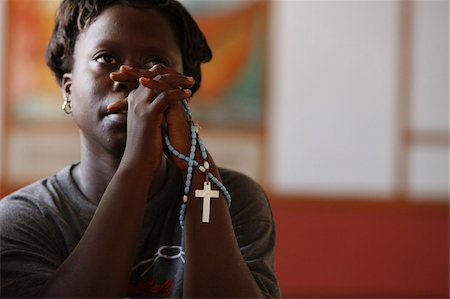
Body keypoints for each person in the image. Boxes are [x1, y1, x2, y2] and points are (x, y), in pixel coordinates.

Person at [0, 0, 280, 297]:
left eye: (156, 64)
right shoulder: (23, 220)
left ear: (184, 88)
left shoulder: (232, 197)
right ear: (69, 89)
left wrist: (198, 171)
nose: (133, 79)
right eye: (106, 57)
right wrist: (137, 166)